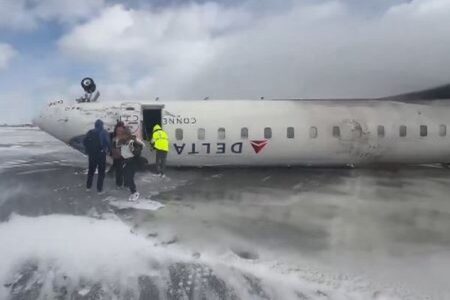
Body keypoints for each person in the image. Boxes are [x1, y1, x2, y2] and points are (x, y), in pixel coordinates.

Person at [83, 119, 111, 194]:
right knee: (101, 172)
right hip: (101, 154)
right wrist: (109, 150)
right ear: (102, 125)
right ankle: (99, 189)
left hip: (92, 155)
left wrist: (88, 150)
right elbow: (107, 142)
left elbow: (85, 141)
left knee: (91, 171)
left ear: (95, 125)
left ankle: (88, 187)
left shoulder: (90, 132)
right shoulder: (104, 132)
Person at [121, 128, 144, 201]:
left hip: (131, 162)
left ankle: (135, 192)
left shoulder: (132, 142)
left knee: (129, 177)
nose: (122, 136)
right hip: (126, 161)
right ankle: (132, 191)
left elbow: (141, 147)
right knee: (127, 176)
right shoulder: (125, 142)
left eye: (124, 134)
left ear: (127, 135)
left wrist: (133, 149)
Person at [111, 121, 125, 188]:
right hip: (121, 154)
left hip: (115, 155)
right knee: (121, 170)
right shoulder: (123, 130)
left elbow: (113, 146)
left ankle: (118, 184)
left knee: (118, 170)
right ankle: (120, 183)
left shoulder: (115, 132)